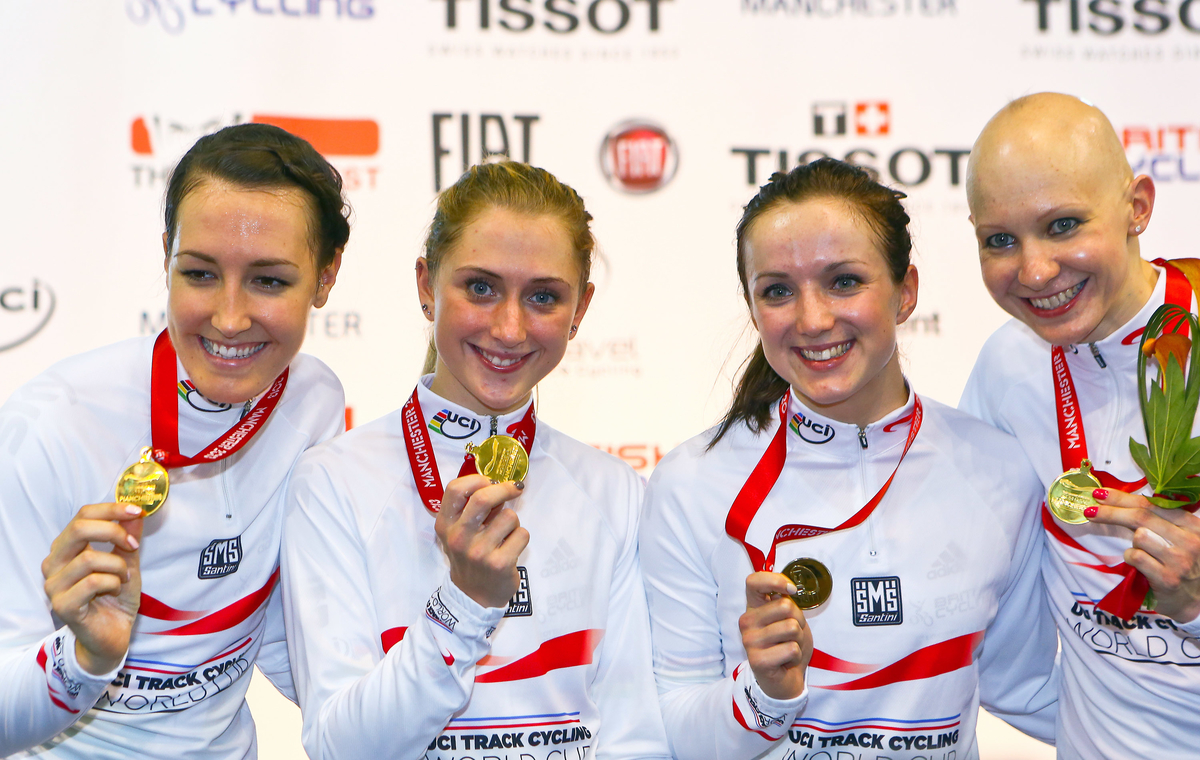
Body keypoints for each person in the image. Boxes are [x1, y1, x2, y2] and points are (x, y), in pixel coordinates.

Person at [639, 158, 1059, 760]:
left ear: (906, 291)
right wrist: (761, 694)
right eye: (778, 291)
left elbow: (1026, 686)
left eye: (843, 281)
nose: (812, 320)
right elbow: (679, 734)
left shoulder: (1000, 470)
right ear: (754, 309)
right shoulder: (691, 483)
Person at [281, 161, 670, 760]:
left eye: (543, 296)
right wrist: (464, 602)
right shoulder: (332, 481)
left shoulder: (614, 489)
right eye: (481, 288)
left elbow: (635, 737)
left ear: (581, 308)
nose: (509, 328)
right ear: (426, 286)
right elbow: (342, 747)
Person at [0, 123, 349, 758]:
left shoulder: (316, 403)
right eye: (200, 273)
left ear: (326, 278)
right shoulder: (51, 424)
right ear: (167, 256)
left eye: (269, 281)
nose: (229, 317)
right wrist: (83, 658)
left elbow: (274, 627)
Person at [960, 92, 1200, 758]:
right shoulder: (1009, 368)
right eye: (1000, 241)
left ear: (1138, 208)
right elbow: (986, 595)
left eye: (1064, 225)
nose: (1034, 271)